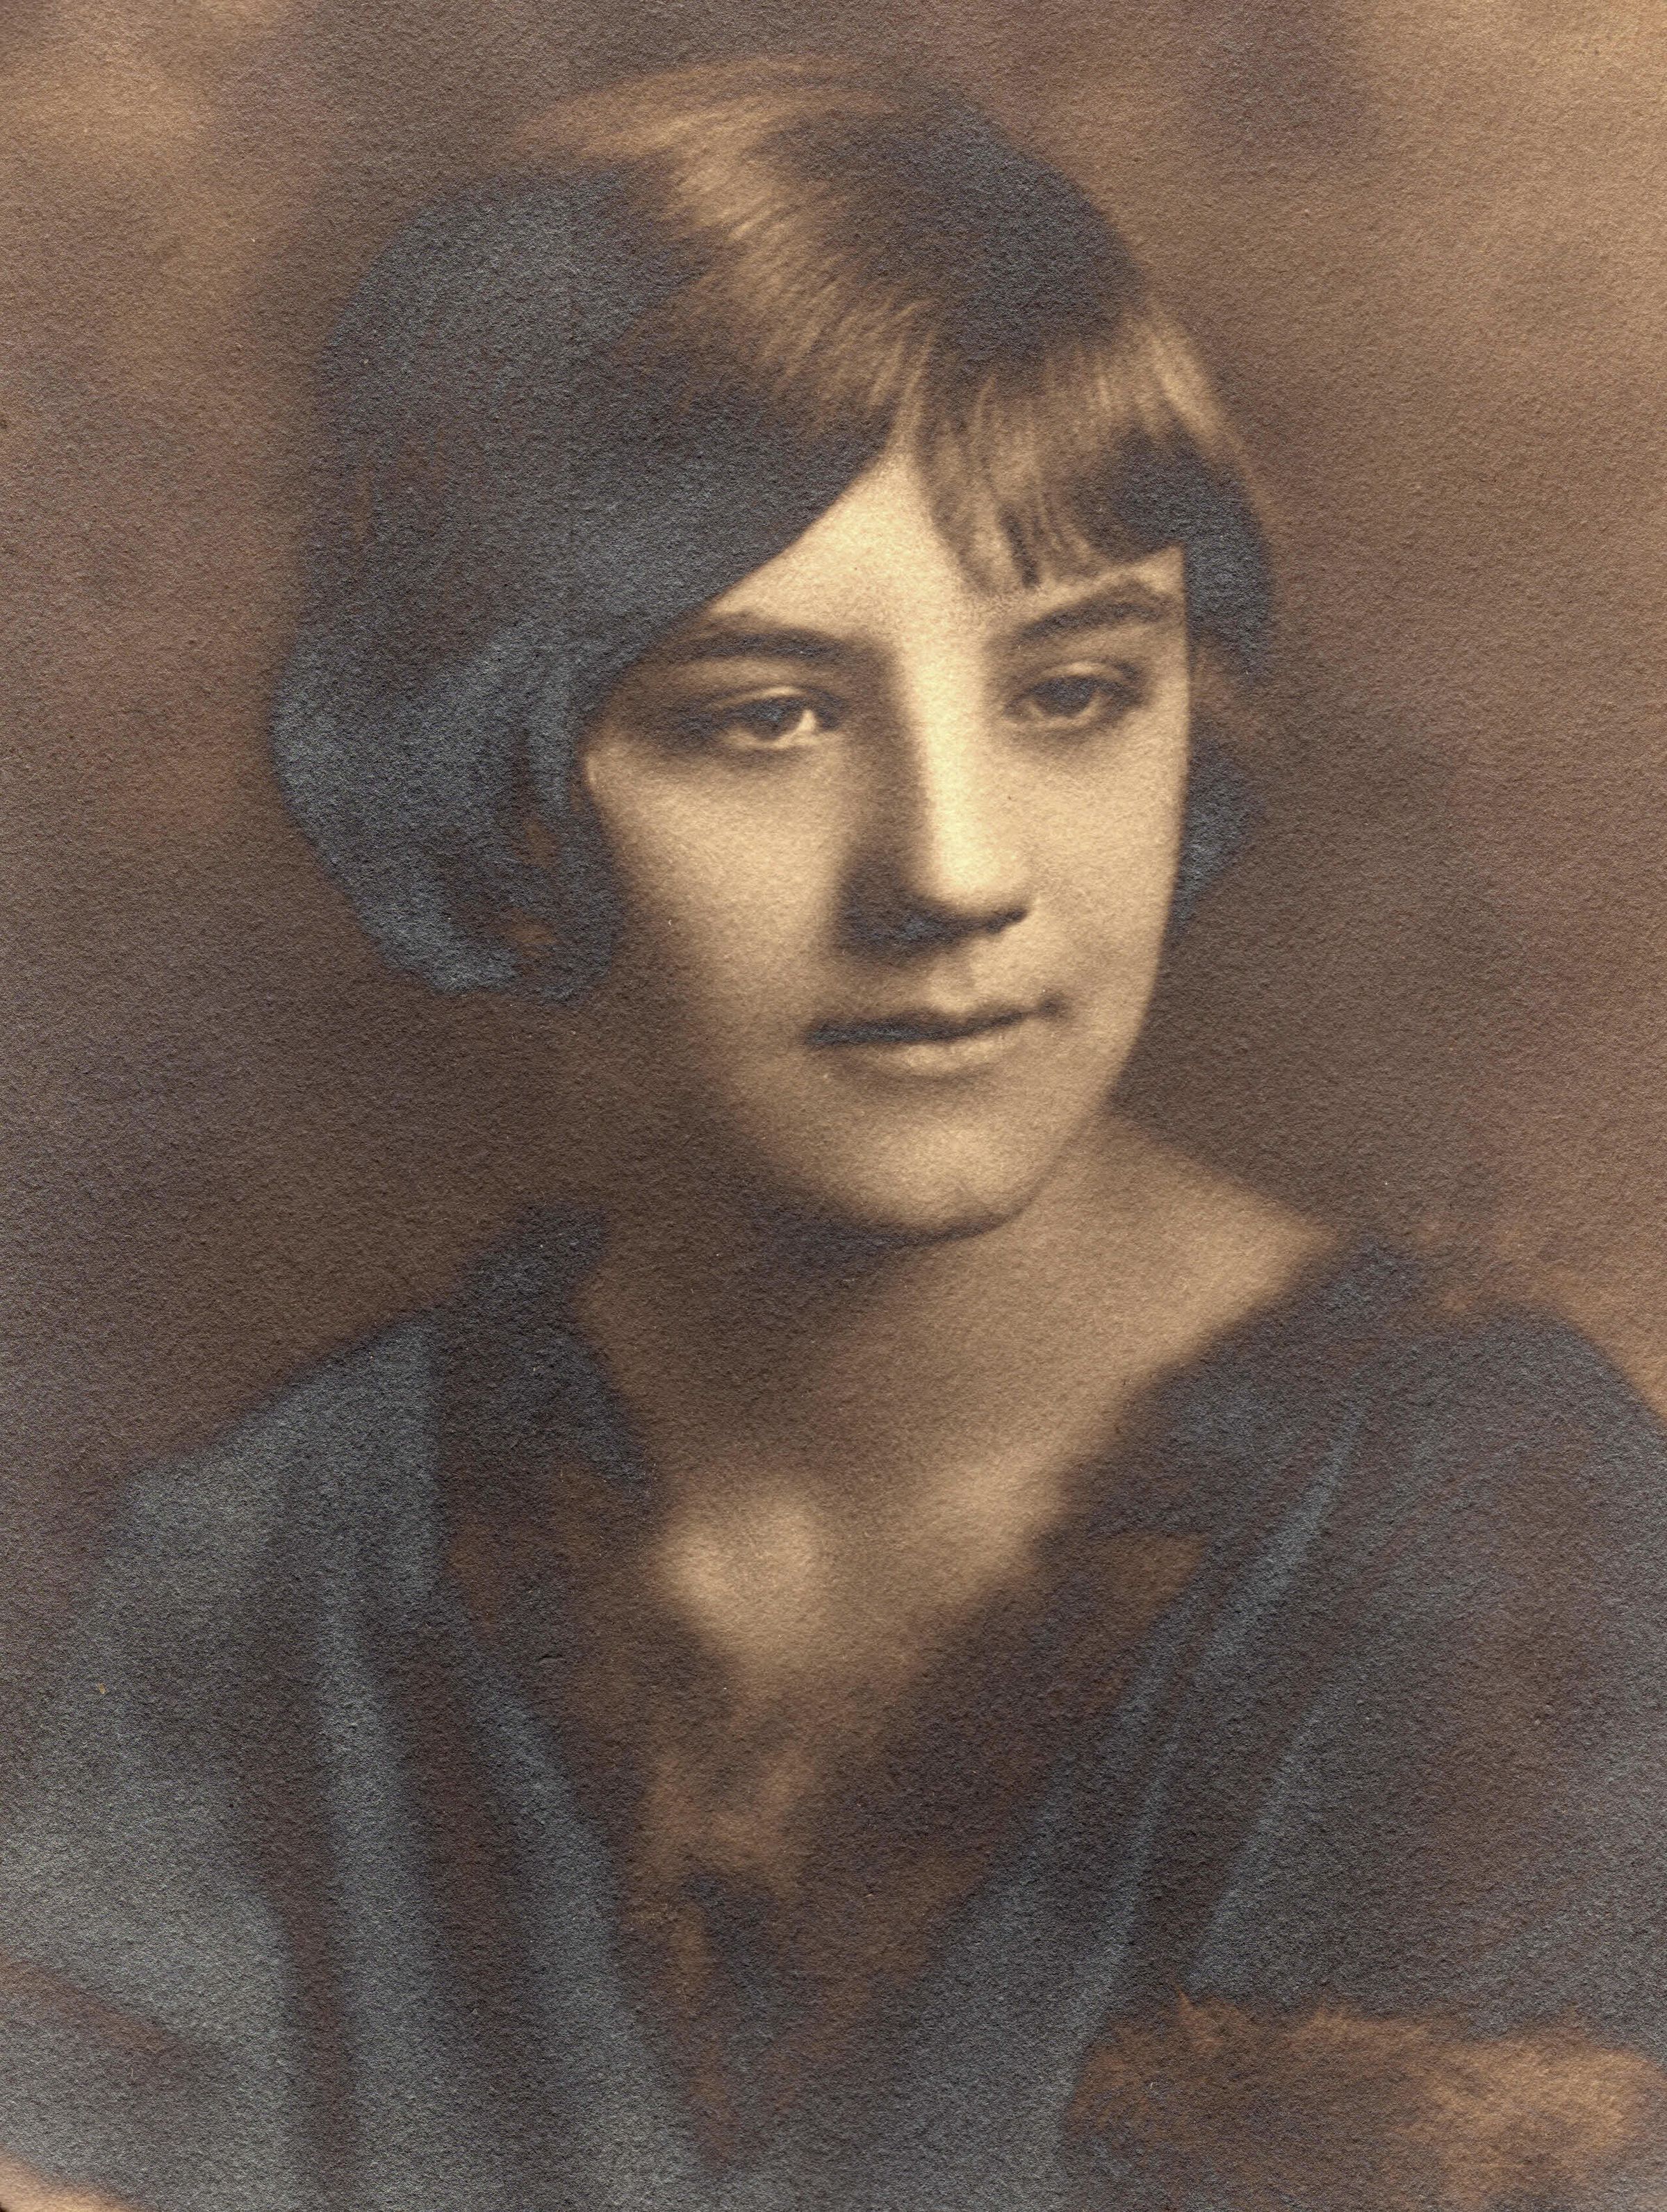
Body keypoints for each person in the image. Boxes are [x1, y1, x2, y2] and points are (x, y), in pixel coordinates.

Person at [3, 53, 1667, 2212]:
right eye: (764, 715)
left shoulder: (1489, 1531)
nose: (956, 870)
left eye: (1072, 691)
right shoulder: (275, 1563)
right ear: (498, 790)